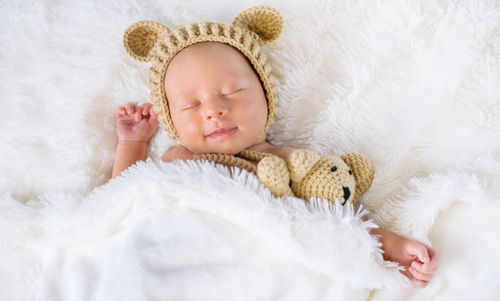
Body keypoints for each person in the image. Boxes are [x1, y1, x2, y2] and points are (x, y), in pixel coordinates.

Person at [113, 6, 439, 288]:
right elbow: (122, 201)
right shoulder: (177, 159)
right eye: (191, 104)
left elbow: (339, 221)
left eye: (231, 91)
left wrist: (391, 244)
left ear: (265, 96)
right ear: (170, 119)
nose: (213, 110)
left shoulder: (293, 163)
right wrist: (132, 142)